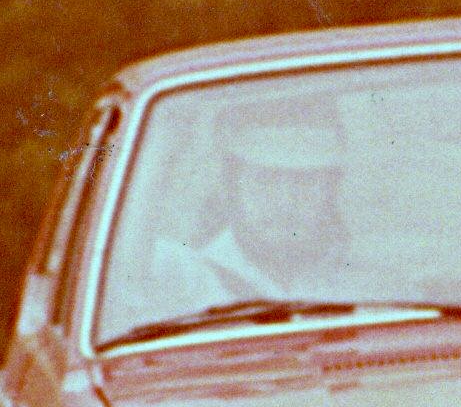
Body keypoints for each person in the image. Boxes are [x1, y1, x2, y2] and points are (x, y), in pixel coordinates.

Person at [143, 117, 354, 316]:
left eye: (305, 181)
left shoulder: (361, 285)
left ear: (331, 188)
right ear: (233, 186)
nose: (286, 202)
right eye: (265, 180)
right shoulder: (181, 282)